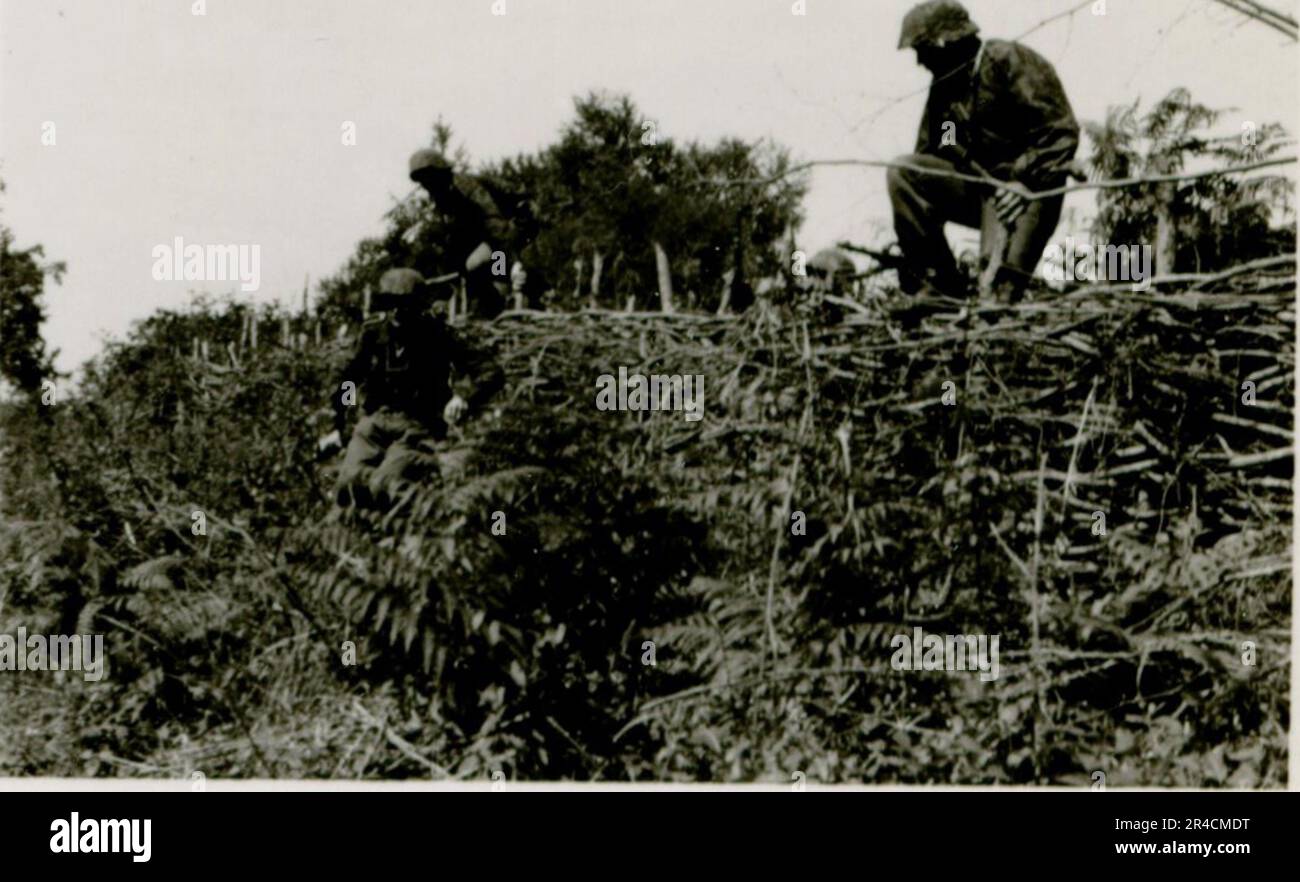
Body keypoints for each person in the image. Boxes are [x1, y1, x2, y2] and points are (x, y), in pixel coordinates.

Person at [887, 0, 1080, 302]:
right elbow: (937, 150)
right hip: (979, 191)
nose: (920, 62)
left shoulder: (1006, 61)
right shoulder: (945, 89)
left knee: (996, 292)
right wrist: (918, 241)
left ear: (946, 42)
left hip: (1030, 193)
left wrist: (1022, 180)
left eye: (923, 50)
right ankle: (939, 283)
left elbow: (1059, 132)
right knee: (905, 173)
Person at [319, 268, 504, 510]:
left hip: (416, 428)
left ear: (419, 305)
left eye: (404, 304)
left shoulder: (437, 334)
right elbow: (348, 380)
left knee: (386, 486)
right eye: (390, 303)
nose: (396, 311)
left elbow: (491, 371)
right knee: (346, 487)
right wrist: (336, 425)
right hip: (374, 424)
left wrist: (464, 398)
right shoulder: (373, 334)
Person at [408, 148, 510, 318]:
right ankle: (484, 307)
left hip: (504, 231)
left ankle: (502, 300)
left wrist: (494, 255)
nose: (425, 185)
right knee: (467, 267)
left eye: (428, 178)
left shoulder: (465, 185)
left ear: (440, 173)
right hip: (484, 236)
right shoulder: (442, 195)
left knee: (488, 267)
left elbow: (493, 218)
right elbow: (454, 234)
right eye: (422, 181)